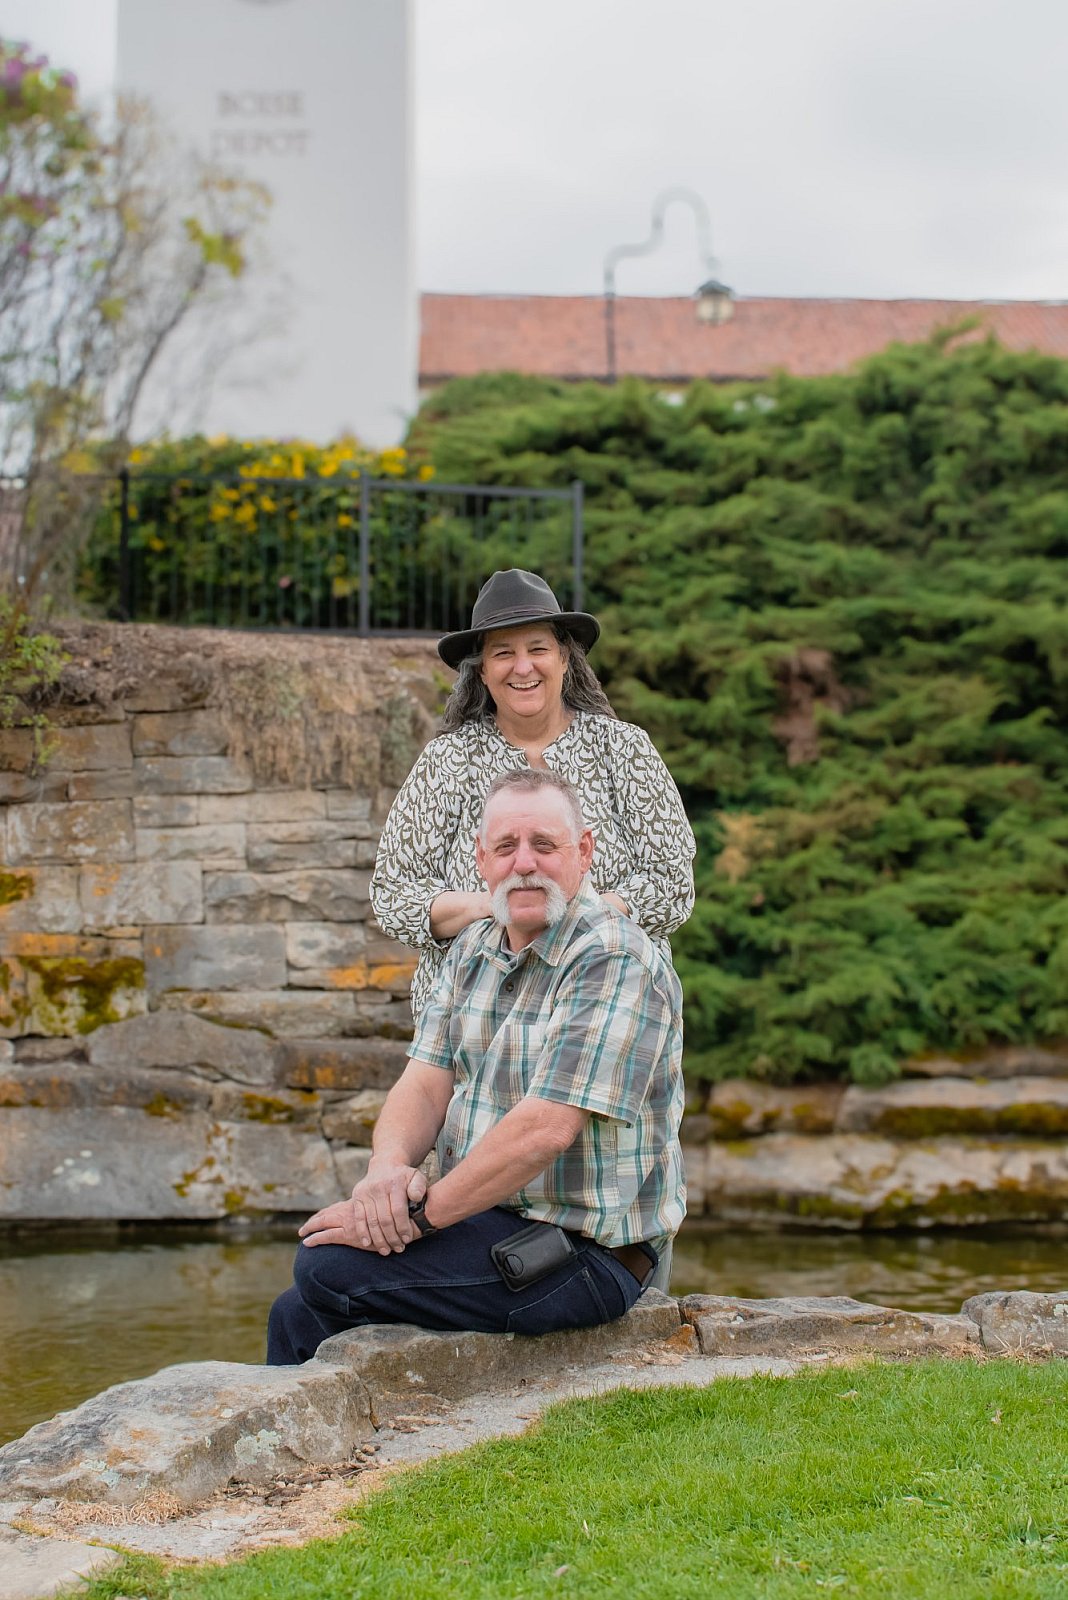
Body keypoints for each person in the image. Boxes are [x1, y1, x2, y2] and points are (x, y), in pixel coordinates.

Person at [267, 768, 685, 1362]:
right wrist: (386, 1173)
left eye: (544, 844)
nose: (524, 863)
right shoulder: (472, 948)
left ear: (584, 851)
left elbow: (545, 1129)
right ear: (481, 859)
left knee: (327, 1268)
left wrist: (415, 1220)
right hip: (490, 1219)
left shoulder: (613, 958)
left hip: (583, 1254)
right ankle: (323, 1427)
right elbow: (423, 1083)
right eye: (506, 846)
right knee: (297, 1308)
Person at [370, 567, 695, 1021]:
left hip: (608, 1013)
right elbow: (393, 894)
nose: (523, 667)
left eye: (538, 648)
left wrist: (571, 919)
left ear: (565, 659)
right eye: (503, 652)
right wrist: (499, 908)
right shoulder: (448, 759)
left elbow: (672, 883)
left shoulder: (623, 749)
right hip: (473, 1020)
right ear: (483, 671)